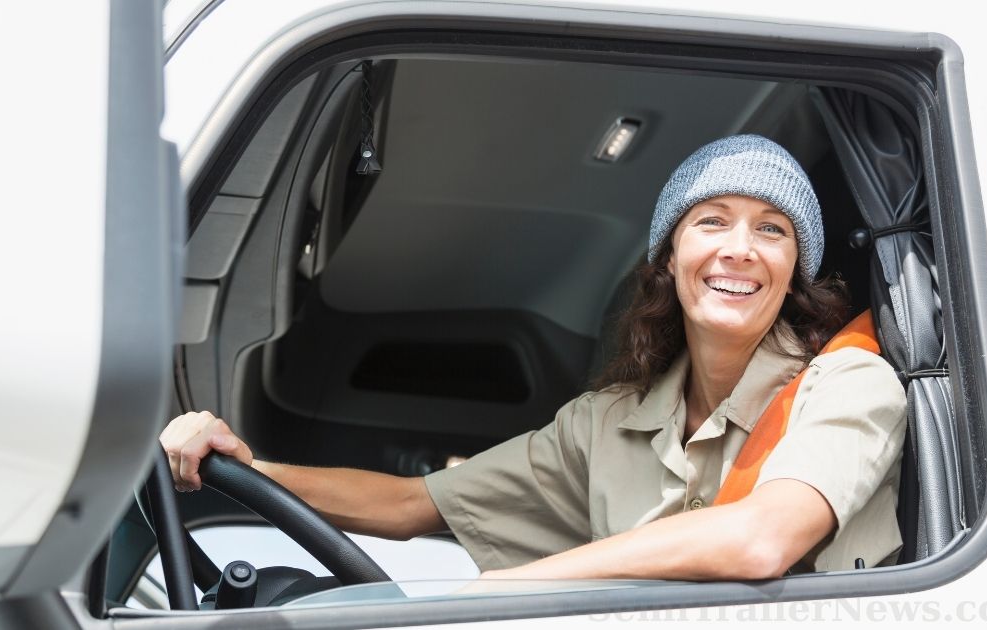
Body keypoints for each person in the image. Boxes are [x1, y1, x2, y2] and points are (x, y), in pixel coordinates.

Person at [160, 134, 907, 580]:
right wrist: (245, 469)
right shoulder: (606, 422)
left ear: (795, 268)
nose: (740, 248)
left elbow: (761, 539)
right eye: (712, 221)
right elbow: (413, 504)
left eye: (773, 230)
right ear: (670, 257)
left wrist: (525, 589)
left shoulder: (846, 385)